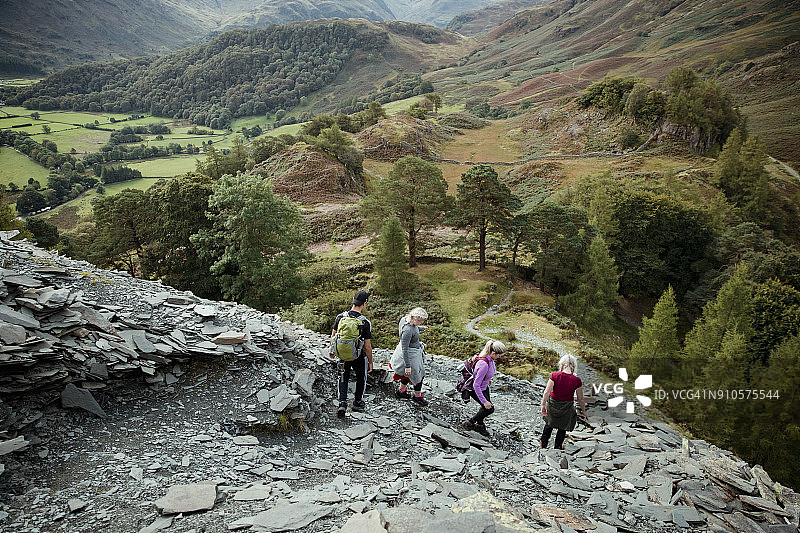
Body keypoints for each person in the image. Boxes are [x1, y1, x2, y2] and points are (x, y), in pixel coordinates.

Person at [331, 290, 373, 417]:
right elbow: (367, 346)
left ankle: (342, 403)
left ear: (353, 299)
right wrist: (370, 362)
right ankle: (357, 402)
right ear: (365, 304)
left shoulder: (340, 317)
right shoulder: (365, 322)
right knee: (361, 377)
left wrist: (332, 351)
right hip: (358, 356)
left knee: (343, 377)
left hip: (342, 354)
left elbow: (333, 337)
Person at [540, 354, 588, 449]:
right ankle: (557, 446)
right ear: (573, 367)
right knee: (562, 427)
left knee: (549, 424)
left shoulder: (555, 376)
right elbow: (580, 398)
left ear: (562, 365)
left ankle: (543, 445)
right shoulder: (576, 380)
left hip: (553, 404)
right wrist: (583, 410)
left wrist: (543, 405)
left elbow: (547, 392)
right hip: (567, 407)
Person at [463, 339, 507, 436]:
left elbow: (484, 375)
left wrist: (487, 380)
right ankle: (470, 423)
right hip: (476, 389)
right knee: (489, 408)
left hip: (484, 387)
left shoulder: (490, 359)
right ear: (494, 353)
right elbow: (475, 385)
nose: (500, 357)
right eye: (499, 355)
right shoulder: (484, 364)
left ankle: (480, 425)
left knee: (485, 407)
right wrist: (484, 401)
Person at [390, 307, 429, 406]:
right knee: (418, 375)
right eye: (422, 321)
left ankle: (401, 391)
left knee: (407, 374)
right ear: (416, 319)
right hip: (410, 355)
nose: (422, 322)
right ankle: (417, 396)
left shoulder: (405, 319)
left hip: (412, 353)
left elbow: (414, 328)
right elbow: (405, 349)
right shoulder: (407, 331)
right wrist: (407, 365)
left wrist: (421, 328)